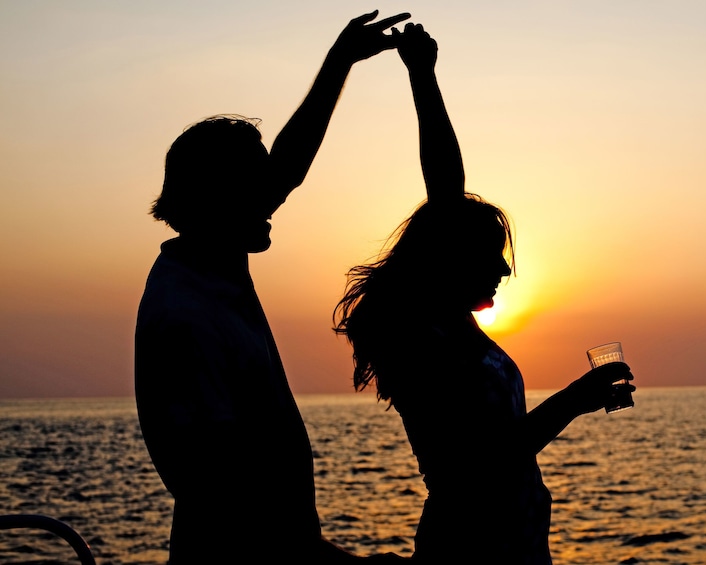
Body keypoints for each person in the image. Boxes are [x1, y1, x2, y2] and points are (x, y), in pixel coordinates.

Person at [334, 24, 635, 565]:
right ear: (449, 257)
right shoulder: (420, 338)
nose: (504, 269)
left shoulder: (453, 325)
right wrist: (574, 400)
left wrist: (423, 75)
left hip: (515, 546)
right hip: (470, 553)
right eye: (490, 254)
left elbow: (447, 190)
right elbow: (480, 465)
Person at [135, 12, 410, 564]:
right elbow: (219, 493)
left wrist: (340, 63)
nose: (273, 195)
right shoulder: (186, 314)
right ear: (218, 197)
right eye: (254, 184)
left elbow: (289, 162)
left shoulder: (214, 261)